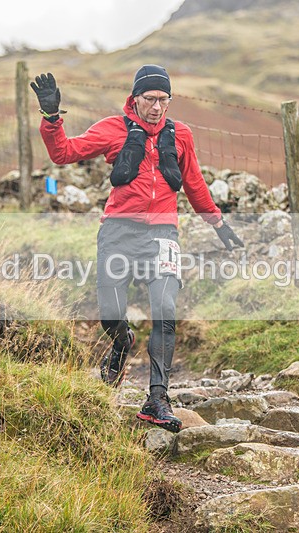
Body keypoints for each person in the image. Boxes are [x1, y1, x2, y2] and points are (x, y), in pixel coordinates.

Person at [31, 65, 244, 433]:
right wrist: (52, 118)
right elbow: (63, 154)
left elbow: (193, 182)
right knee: (111, 314)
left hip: (163, 233)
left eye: (164, 100)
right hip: (117, 230)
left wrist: (217, 223)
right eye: (150, 99)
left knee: (165, 309)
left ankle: (157, 398)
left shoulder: (182, 135)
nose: (158, 107)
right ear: (135, 99)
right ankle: (121, 342)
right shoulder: (113, 128)